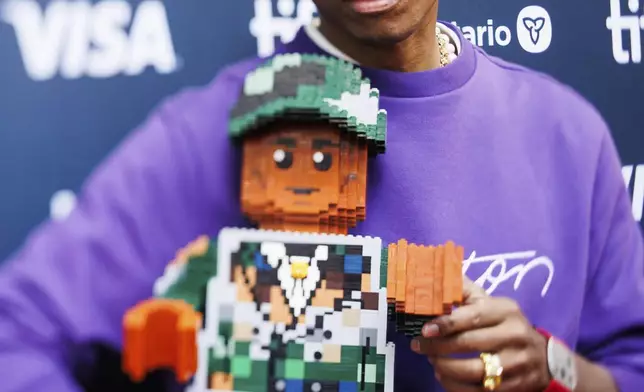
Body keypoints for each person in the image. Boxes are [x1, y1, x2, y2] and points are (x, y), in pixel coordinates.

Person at [0, 0, 643, 391]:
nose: (303, 177)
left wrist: (548, 367)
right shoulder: (207, 133)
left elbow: (629, 366)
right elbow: (19, 335)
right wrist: (171, 330)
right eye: (282, 158)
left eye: (323, 157)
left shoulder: (569, 132)